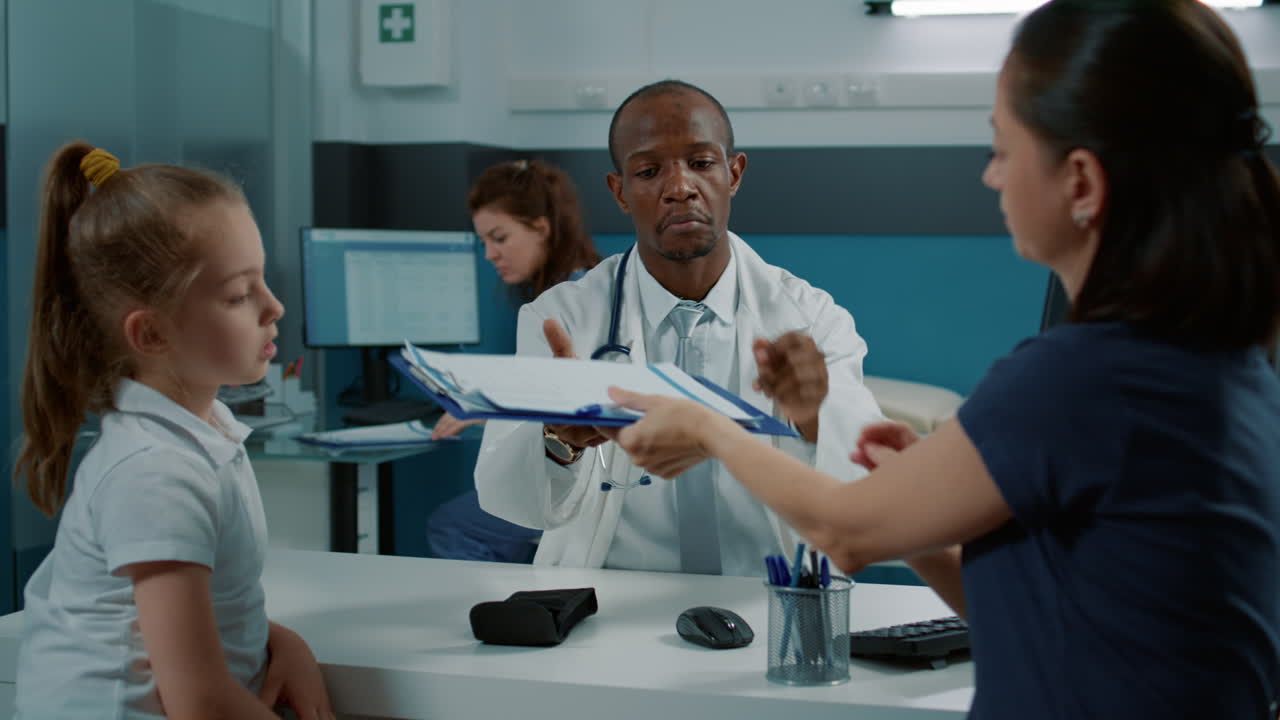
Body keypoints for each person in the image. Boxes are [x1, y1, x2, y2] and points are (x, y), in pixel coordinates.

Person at [606, 2, 1280, 717]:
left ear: (1079, 182)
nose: (992, 177)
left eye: (1002, 149)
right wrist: (921, 529)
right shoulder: (1224, 365)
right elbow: (1048, 620)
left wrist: (709, 429)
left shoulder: (1076, 378)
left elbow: (842, 530)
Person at [473, 79, 885, 575]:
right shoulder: (559, 320)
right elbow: (508, 499)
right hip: (612, 601)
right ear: (620, 191)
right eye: (649, 171)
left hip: (769, 605)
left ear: (734, 174)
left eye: (702, 163)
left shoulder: (812, 318)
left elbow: (872, 489)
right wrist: (558, 441)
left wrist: (813, 414)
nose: (680, 188)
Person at [12, 143, 333, 719]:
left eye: (262, 281)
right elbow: (200, 703)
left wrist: (281, 640)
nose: (274, 306)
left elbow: (198, 614)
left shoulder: (201, 437)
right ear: (153, 335)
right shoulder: (154, 472)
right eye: (239, 294)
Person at [426, 158, 602, 562]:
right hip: (570, 473)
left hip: (579, 478)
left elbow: (572, 397)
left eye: (500, 238)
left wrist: (487, 407)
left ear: (541, 228)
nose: (490, 254)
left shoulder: (572, 301)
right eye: (484, 242)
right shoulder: (577, 287)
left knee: (451, 525)